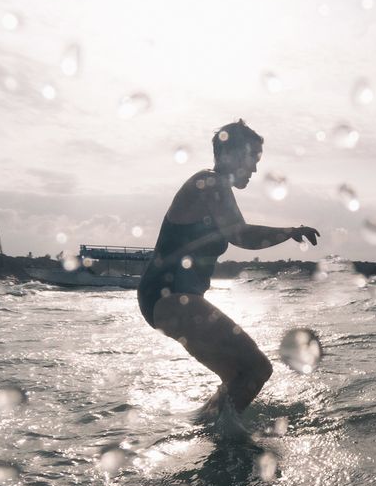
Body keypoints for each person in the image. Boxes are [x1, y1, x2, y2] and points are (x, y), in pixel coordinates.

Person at [137, 120, 319, 419]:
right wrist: (289, 231)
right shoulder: (210, 182)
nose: (255, 170)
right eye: (253, 159)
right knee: (256, 369)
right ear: (231, 154)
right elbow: (242, 235)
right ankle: (221, 444)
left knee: (238, 376)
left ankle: (201, 426)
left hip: (165, 298)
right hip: (170, 296)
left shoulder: (212, 186)